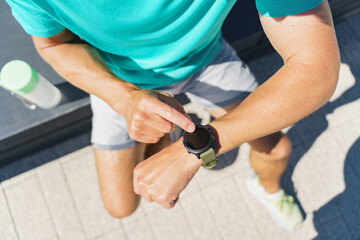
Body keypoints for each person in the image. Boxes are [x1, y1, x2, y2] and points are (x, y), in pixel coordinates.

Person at [5, 0, 339, 231]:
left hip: (208, 60)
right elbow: (53, 45)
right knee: (121, 206)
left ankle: (269, 191)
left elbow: (317, 69)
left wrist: (192, 153)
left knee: (277, 150)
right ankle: (165, 130)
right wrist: (125, 99)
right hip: (118, 81)